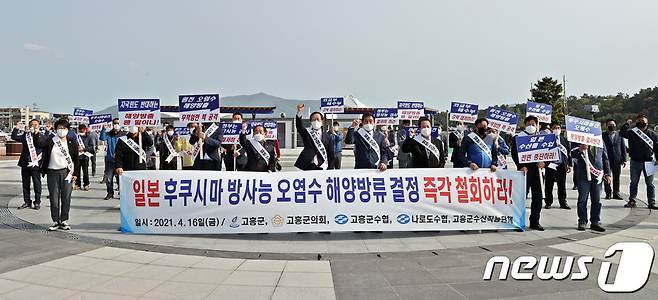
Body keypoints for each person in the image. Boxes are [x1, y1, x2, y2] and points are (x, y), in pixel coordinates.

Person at [40, 118, 79, 231]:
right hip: (52, 172)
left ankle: (64, 220)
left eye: (64, 128)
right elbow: (39, 143)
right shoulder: (50, 140)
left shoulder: (71, 141)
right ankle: (56, 220)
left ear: (68, 129)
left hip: (67, 173)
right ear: (55, 129)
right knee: (54, 197)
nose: (61, 130)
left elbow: (76, 159)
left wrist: (75, 173)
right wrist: (39, 132)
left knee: (66, 196)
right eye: (59, 128)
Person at [511, 116, 546, 231]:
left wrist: (544, 162)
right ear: (525, 125)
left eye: (533, 124)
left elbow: (549, 153)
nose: (531, 126)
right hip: (524, 171)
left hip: (538, 171)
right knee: (521, 197)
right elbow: (514, 154)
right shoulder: (518, 137)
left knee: (538, 197)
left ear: (537, 126)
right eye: (529, 124)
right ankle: (518, 221)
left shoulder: (543, 138)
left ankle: (535, 221)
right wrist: (521, 166)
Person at [620, 114, 658, 209]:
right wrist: (626, 125)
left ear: (647, 123)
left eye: (643, 122)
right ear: (636, 123)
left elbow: (657, 147)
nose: (642, 124)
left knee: (650, 184)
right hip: (635, 161)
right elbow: (622, 133)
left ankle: (651, 202)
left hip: (649, 162)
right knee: (633, 182)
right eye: (639, 122)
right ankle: (632, 200)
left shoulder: (652, 134)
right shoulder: (632, 132)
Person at [572, 144, 611, 231]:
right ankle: (582, 220)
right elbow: (571, 153)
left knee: (596, 199)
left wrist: (608, 173)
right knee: (582, 199)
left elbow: (605, 158)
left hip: (597, 175)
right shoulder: (579, 139)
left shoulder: (599, 141)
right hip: (583, 175)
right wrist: (580, 149)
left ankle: (595, 221)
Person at [11, 119, 47, 210]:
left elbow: (40, 144)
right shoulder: (25, 136)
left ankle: (37, 202)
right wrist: (16, 128)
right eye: (32, 124)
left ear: (39, 126)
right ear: (29, 126)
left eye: (36, 124)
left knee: (37, 184)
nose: (34, 126)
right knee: (25, 184)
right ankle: (27, 201)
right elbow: (14, 137)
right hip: (25, 163)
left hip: (36, 164)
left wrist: (36, 134)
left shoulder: (43, 137)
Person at [294, 103, 335, 170]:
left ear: (322, 121)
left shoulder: (328, 137)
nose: (316, 121)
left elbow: (331, 154)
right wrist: (299, 112)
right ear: (310, 121)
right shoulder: (307, 133)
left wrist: (330, 168)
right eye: (313, 119)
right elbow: (299, 126)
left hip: (323, 166)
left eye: (318, 119)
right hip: (308, 165)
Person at [544, 122, 572, 209]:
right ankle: (548, 202)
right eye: (555, 128)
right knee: (549, 185)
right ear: (551, 129)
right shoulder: (546, 140)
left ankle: (563, 202)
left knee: (562, 185)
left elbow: (568, 153)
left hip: (561, 165)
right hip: (550, 165)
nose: (557, 129)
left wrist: (569, 164)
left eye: (558, 128)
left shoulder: (564, 140)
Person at [99, 118, 124, 200]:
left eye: (118, 123)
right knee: (109, 179)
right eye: (115, 123)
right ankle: (110, 193)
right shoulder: (109, 134)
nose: (116, 125)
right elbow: (102, 138)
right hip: (110, 161)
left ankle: (122, 193)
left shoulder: (123, 135)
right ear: (112, 125)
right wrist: (103, 128)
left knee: (121, 179)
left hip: (120, 161)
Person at [602, 119, 627, 200]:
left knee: (616, 177)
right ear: (606, 126)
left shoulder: (619, 135)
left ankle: (616, 193)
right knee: (606, 176)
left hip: (617, 159)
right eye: (610, 125)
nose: (612, 126)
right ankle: (608, 193)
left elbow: (623, 147)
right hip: (606, 159)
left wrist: (624, 159)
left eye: (613, 125)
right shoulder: (602, 135)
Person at [75, 124, 95, 191]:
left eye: (82, 130)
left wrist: (85, 149)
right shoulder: (76, 137)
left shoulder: (89, 137)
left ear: (85, 130)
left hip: (85, 157)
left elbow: (91, 147)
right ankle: (78, 184)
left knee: (85, 172)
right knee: (77, 172)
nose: (81, 131)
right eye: (80, 130)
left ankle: (86, 184)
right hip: (77, 157)